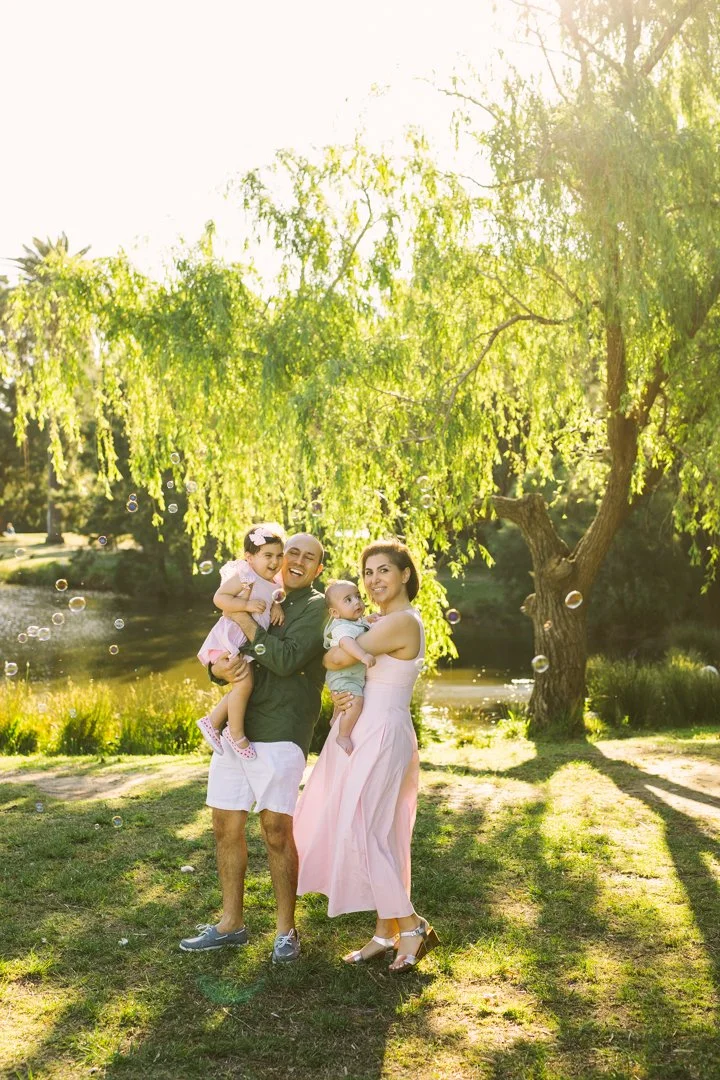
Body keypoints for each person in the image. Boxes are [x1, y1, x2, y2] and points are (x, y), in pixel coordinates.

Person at [294, 538, 439, 973]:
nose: (374, 580)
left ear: (405, 575)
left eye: (384, 571)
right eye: (368, 573)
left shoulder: (402, 623)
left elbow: (334, 658)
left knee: (365, 827)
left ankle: (412, 927)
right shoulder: (382, 623)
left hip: (382, 732)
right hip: (367, 728)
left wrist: (347, 643)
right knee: (383, 831)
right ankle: (385, 932)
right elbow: (343, 658)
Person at [180, 533, 326, 964]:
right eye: (290, 553)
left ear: (319, 568)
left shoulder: (317, 607)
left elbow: (283, 660)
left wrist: (245, 619)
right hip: (237, 730)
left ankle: (286, 932)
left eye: (308, 557)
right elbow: (222, 659)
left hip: (282, 726)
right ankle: (231, 925)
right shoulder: (260, 592)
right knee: (225, 824)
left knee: (276, 831)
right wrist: (217, 665)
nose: (296, 561)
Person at [196, 524, 286, 759]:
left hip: (245, 640)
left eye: (279, 555)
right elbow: (220, 598)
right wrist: (245, 605)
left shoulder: (275, 582)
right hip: (231, 637)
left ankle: (213, 722)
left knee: (243, 684)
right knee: (244, 684)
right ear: (250, 558)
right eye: (267, 555)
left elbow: (273, 597)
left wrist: (277, 606)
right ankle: (234, 734)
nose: (275, 561)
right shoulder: (246, 577)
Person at [322, 579, 375, 755]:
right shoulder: (342, 627)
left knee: (346, 700)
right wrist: (363, 655)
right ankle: (343, 735)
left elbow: (357, 628)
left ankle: (336, 717)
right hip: (344, 677)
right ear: (335, 613)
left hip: (349, 675)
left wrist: (368, 619)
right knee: (355, 701)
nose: (357, 602)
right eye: (348, 600)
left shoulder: (352, 622)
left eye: (358, 596)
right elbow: (346, 642)